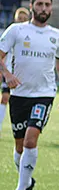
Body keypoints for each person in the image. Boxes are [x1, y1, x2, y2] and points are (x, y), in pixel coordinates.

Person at [0, 0, 59, 190]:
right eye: (39, 4)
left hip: (44, 95)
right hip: (19, 95)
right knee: (19, 149)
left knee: (32, 139)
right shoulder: (16, 30)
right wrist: (7, 75)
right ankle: (28, 182)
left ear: (51, 8)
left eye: (47, 4)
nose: (43, 8)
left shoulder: (57, 36)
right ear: (31, 6)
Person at [0, 7, 29, 140]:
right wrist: (3, 71)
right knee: (5, 97)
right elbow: (3, 54)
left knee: (23, 102)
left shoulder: (30, 36)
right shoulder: (11, 32)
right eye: (19, 18)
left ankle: (26, 129)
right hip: (9, 72)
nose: (21, 21)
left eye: (24, 19)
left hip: (24, 74)